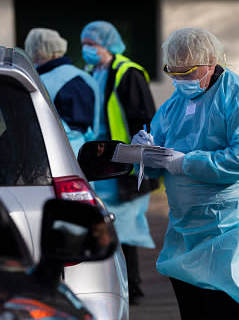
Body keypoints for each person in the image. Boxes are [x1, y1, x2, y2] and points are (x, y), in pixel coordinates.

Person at [132, 27, 239, 319]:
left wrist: (187, 163)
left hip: (229, 227)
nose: (181, 80)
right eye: (174, 72)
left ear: (211, 62)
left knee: (222, 311)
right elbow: (161, 142)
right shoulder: (175, 103)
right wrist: (145, 151)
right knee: (192, 310)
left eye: (188, 72)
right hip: (186, 227)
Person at [80, 20, 158, 305]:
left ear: (107, 44)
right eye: (85, 44)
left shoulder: (128, 72)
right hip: (103, 160)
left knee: (124, 227)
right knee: (107, 225)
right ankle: (115, 285)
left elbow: (144, 118)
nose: (87, 49)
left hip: (126, 162)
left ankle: (132, 287)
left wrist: (139, 155)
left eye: (92, 44)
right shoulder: (93, 71)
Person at [24, 28, 99, 155]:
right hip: (83, 155)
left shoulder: (47, 81)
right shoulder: (83, 77)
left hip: (57, 156)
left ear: (39, 51)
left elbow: (71, 131)